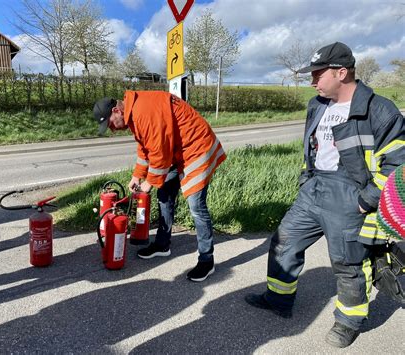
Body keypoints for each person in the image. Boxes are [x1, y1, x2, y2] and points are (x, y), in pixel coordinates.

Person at [244, 42, 404, 348]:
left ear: (341, 73)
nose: (312, 81)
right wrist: (306, 179)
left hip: (350, 193)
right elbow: (313, 147)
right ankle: (278, 298)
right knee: (283, 242)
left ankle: (349, 321)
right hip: (314, 188)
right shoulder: (317, 105)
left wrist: (366, 199)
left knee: (348, 262)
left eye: (318, 73)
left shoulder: (380, 110)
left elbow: (399, 163)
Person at [93, 91, 226, 282]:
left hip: (197, 149)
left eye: (110, 123)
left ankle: (207, 261)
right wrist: (137, 175)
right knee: (164, 195)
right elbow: (144, 148)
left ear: (116, 110)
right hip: (176, 151)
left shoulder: (144, 111)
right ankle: (163, 245)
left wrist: (150, 182)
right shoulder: (133, 113)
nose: (112, 129)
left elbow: (159, 150)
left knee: (196, 207)